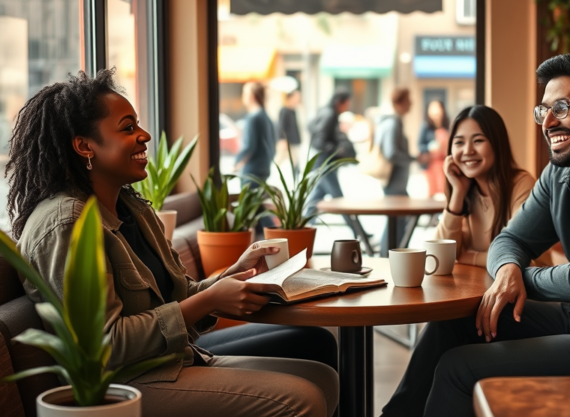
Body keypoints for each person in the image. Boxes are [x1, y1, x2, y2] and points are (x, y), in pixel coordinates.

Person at [6, 70, 338, 417]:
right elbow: (104, 346)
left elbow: (175, 298)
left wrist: (227, 278)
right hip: (121, 386)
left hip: (168, 362)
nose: (144, 135)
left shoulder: (131, 207)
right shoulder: (68, 224)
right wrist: (211, 298)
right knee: (304, 398)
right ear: (85, 145)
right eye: (127, 128)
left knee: (321, 373)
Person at [382, 54, 570, 417]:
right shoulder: (559, 174)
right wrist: (509, 268)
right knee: (451, 324)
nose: (549, 122)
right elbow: (508, 241)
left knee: (458, 367)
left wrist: (517, 278)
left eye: (562, 107)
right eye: (543, 111)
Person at [436, 105, 536, 268]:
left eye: (478, 141)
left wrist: (467, 257)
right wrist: (458, 193)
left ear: (497, 144)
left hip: (529, 289)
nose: (467, 151)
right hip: (480, 286)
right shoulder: (467, 191)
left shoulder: (522, 185)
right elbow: (441, 255)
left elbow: (521, 259)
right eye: (459, 142)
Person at [305, 90, 365, 239]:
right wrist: (337, 151)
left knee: (315, 201)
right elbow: (320, 141)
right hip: (325, 165)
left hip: (322, 163)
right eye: (347, 103)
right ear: (340, 102)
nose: (347, 107)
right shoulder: (330, 114)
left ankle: (301, 228)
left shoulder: (326, 112)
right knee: (339, 200)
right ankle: (360, 233)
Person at [376, 87, 414, 256]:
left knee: (397, 221)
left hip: (395, 182)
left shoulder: (390, 121)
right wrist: (413, 158)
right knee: (396, 222)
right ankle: (388, 257)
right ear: (401, 102)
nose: (411, 103)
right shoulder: (392, 123)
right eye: (409, 100)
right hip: (394, 181)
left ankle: (391, 256)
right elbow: (391, 153)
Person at [235, 82, 275, 183]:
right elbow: (273, 145)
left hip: (252, 171)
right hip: (264, 168)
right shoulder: (266, 117)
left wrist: (236, 163)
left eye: (244, 94)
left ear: (251, 96)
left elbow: (248, 146)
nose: (242, 97)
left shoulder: (253, 118)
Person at [418, 100, 450, 198]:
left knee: (445, 192)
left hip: (445, 164)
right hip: (431, 165)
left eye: (438, 108)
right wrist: (430, 146)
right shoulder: (425, 126)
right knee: (432, 192)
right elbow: (420, 145)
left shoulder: (448, 126)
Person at [277, 89, 302, 178]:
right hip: (287, 142)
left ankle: (296, 178)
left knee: (295, 162)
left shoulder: (293, 111)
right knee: (280, 160)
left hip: (294, 141)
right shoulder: (284, 110)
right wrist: (282, 140)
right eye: (296, 97)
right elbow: (281, 126)